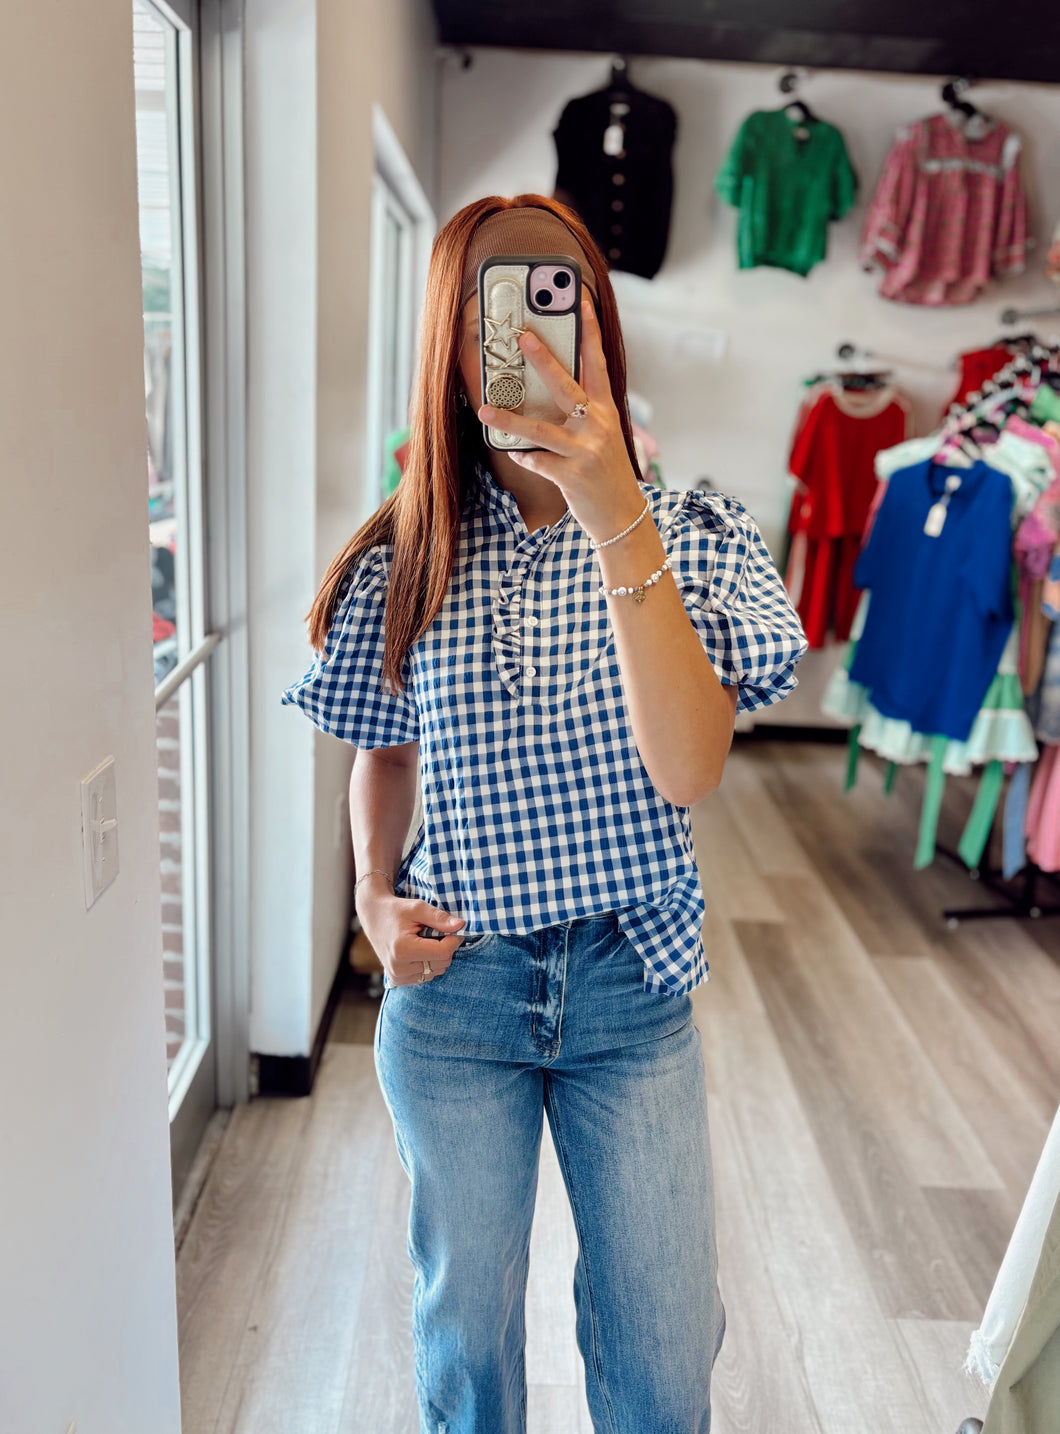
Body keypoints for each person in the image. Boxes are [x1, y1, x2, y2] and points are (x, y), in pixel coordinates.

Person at [280, 195, 808, 1434]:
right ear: (449, 343)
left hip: (631, 993)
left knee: (666, 1355)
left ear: (600, 326)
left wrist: (611, 497)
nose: (525, 325)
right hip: (456, 997)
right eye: (490, 304)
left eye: (556, 293)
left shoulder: (688, 531)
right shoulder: (402, 556)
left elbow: (690, 770)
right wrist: (368, 892)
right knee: (464, 1339)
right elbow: (383, 747)